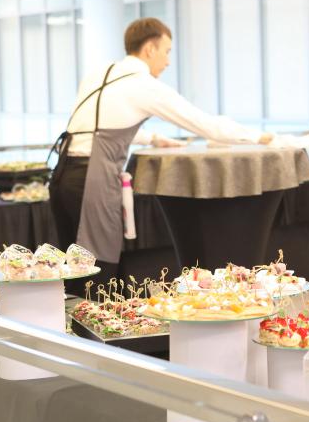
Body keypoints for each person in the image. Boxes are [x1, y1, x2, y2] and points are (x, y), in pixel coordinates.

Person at [49, 17, 274, 282]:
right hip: (92, 183)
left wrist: (154, 138)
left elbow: (97, 128)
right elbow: (205, 125)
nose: (167, 61)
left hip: (62, 177)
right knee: (97, 275)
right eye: (166, 51)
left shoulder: (99, 74)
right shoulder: (144, 85)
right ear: (149, 49)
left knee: (71, 274)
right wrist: (257, 136)